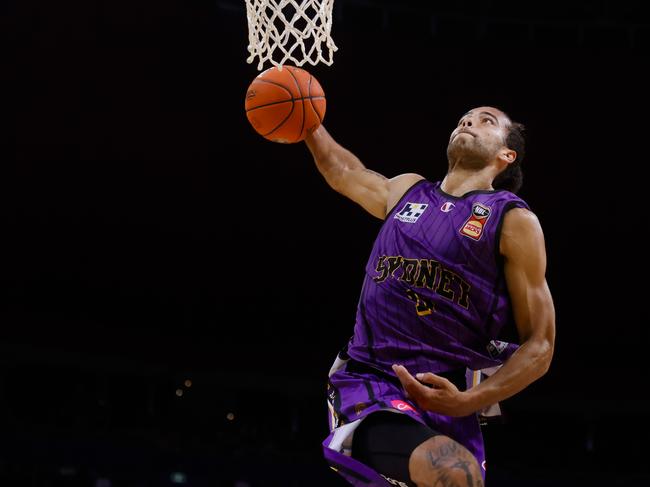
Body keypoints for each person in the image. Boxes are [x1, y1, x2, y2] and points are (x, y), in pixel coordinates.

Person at [304, 106, 556, 487]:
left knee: (461, 477)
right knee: (455, 473)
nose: (468, 122)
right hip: (373, 379)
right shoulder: (407, 190)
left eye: (486, 120)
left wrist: (468, 402)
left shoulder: (512, 220)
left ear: (507, 155)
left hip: (448, 393)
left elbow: (541, 345)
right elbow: (344, 172)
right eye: (464, 118)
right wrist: (309, 124)